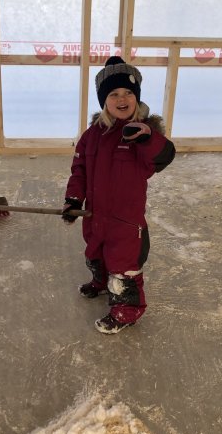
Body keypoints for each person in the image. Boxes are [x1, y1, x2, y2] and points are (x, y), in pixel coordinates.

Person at [62, 55, 176, 335]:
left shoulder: (140, 133)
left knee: (124, 264)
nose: (122, 99)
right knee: (96, 253)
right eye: (114, 94)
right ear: (104, 101)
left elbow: (163, 156)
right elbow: (80, 169)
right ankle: (101, 283)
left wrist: (148, 136)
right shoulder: (92, 134)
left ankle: (127, 310)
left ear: (136, 98)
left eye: (128, 93)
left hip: (126, 222)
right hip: (95, 214)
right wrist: (74, 199)